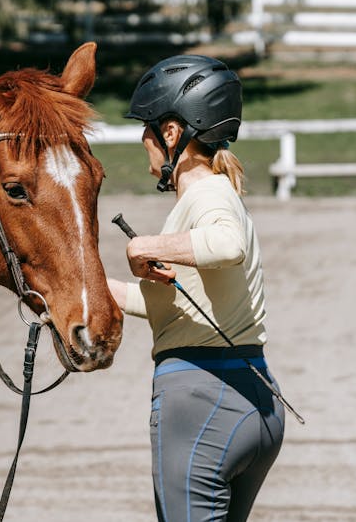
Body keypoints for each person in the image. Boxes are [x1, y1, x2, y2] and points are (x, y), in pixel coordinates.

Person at [106, 55, 286, 522]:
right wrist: (84, 289)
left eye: (147, 129)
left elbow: (226, 246)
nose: (143, 143)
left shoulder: (207, 194)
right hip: (254, 400)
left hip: (202, 402)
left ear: (171, 134)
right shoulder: (212, 197)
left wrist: (144, 245)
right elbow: (172, 306)